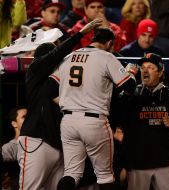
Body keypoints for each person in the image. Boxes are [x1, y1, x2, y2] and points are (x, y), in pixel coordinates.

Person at [17, 19, 102, 190]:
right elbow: (55, 55)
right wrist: (80, 34)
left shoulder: (63, 82)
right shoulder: (35, 70)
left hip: (59, 145)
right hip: (36, 140)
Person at [52, 27, 137, 190]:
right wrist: (131, 73)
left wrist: (70, 103)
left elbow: (50, 87)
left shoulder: (70, 56)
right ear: (110, 43)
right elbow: (130, 86)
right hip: (94, 120)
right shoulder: (106, 56)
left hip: (68, 120)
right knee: (105, 175)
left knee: (71, 174)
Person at [119, 53, 169, 190]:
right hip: (138, 164)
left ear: (160, 72)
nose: (144, 71)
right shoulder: (131, 95)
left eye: (150, 67)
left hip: (165, 164)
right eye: (143, 67)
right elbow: (118, 116)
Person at [1, 106, 27, 190]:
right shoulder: (10, 147)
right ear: (14, 123)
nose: (29, 120)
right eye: (24, 117)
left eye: (29, 116)